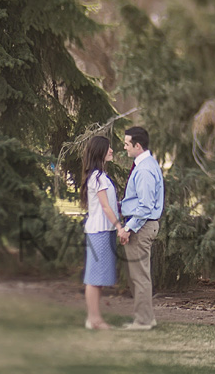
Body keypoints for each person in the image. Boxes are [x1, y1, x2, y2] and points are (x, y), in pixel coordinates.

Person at [117, 126, 164, 330]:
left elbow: (145, 206)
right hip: (143, 225)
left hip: (141, 227)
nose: (124, 147)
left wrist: (128, 228)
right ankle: (146, 318)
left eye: (127, 144)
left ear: (137, 145)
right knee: (139, 274)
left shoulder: (144, 169)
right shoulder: (145, 165)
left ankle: (143, 321)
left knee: (140, 276)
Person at [81, 135, 123, 330]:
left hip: (103, 231)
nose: (112, 150)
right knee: (93, 277)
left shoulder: (99, 177)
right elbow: (106, 207)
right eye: (109, 148)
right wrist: (119, 227)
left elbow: (110, 205)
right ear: (100, 151)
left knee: (98, 278)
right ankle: (93, 319)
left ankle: (95, 318)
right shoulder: (98, 177)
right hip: (99, 231)